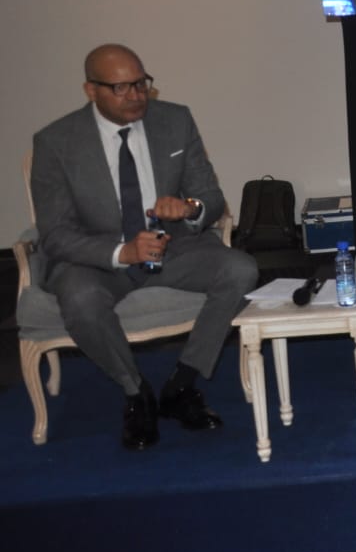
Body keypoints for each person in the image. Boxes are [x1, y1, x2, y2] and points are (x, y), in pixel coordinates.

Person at [29, 44, 258, 451]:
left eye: (141, 83)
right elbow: (56, 234)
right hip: (96, 258)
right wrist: (123, 252)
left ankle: (182, 384)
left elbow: (211, 198)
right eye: (121, 87)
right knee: (81, 301)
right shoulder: (56, 142)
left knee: (240, 269)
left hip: (172, 246)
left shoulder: (175, 120)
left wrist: (190, 208)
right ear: (91, 90)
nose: (136, 95)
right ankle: (137, 393)